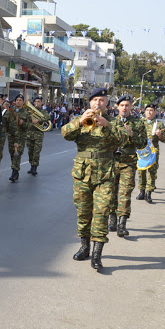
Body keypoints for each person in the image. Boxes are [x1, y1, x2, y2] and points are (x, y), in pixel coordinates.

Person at [61, 87, 130, 270]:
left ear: (107, 104)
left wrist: (105, 125)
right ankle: (84, 247)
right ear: (89, 102)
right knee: (83, 213)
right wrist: (80, 122)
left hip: (105, 175)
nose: (97, 103)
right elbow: (65, 133)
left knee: (101, 214)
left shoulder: (113, 122)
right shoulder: (81, 119)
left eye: (101, 100)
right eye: (94, 100)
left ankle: (97, 254)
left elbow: (124, 139)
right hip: (82, 175)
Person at [107, 95, 147, 238]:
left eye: (127, 105)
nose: (124, 108)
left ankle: (122, 224)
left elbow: (142, 143)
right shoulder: (110, 122)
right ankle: (112, 219)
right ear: (117, 107)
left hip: (128, 162)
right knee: (111, 192)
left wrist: (132, 135)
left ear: (131, 107)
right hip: (112, 161)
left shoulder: (138, 123)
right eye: (122, 105)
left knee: (125, 192)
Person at [135, 104, 165, 204]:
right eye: (147, 110)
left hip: (153, 152)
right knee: (141, 172)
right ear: (144, 112)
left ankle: (148, 193)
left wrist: (160, 135)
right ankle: (141, 191)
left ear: (155, 112)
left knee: (152, 173)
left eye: (151, 110)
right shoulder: (140, 122)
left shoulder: (159, 124)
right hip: (142, 152)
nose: (149, 112)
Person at [25, 96, 50, 176]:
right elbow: (25, 119)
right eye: (35, 101)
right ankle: (31, 165)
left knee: (36, 152)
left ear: (41, 103)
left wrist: (38, 120)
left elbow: (47, 117)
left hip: (38, 135)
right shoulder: (29, 111)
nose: (37, 103)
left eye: (38, 101)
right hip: (29, 134)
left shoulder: (43, 111)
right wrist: (30, 120)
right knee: (30, 152)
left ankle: (34, 167)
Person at [9, 94, 29, 182]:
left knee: (17, 154)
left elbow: (30, 125)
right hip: (11, 136)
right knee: (12, 153)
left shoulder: (26, 112)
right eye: (17, 100)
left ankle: (14, 172)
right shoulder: (11, 111)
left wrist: (23, 123)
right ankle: (16, 170)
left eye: (20, 100)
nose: (18, 101)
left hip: (21, 136)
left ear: (23, 102)